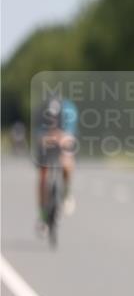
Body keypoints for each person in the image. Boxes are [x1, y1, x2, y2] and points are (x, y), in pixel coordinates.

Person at [35, 98, 77, 231]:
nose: (52, 121)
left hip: (63, 140)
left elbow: (69, 136)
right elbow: (39, 137)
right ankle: (42, 216)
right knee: (42, 175)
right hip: (46, 143)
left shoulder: (68, 112)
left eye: (55, 117)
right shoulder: (41, 114)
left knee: (67, 161)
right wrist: (48, 139)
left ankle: (66, 194)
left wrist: (61, 139)